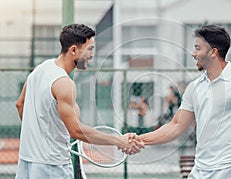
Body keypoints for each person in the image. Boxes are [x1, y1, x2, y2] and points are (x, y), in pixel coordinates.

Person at [127, 25, 231, 179]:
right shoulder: (195, 87)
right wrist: (139, 140)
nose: (193, 54)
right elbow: (175, 125)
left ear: (213, 52)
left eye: (198, 48)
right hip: (200, 170)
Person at [15, 24, 143, 179]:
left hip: (26, 161)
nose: (92, 54)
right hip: (53, 167)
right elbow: (76, 131)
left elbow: (20, 105)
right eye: (89, 49)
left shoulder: (39, 69)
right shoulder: (64, 83)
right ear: (74, 50)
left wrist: (38, 137)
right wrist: (119, 141)